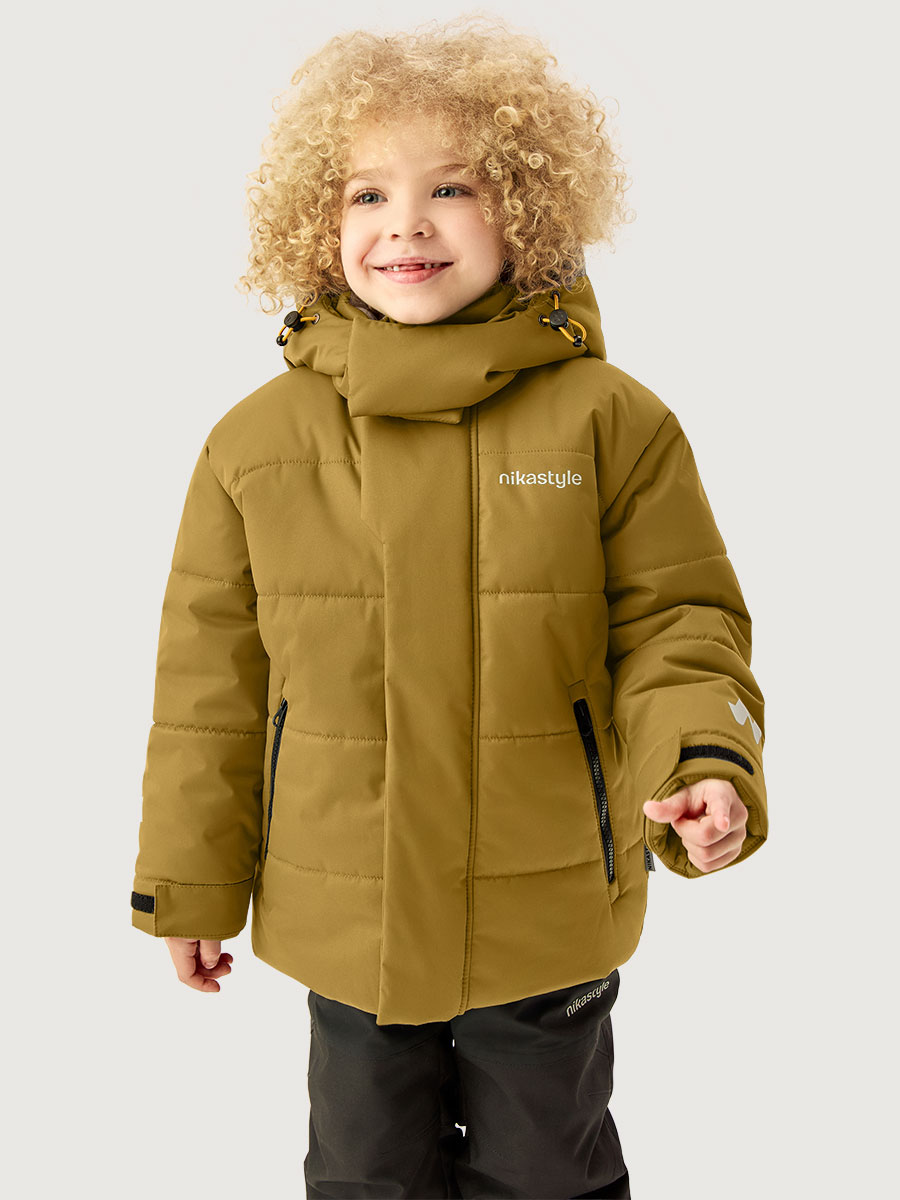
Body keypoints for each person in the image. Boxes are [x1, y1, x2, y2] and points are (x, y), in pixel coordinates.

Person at [129, 13, 769, 1199]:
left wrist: (701, 760)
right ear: (317, 221)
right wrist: (193, 879)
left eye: (454, 187)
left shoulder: (609, 422)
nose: (406, 223)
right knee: (365, 1171)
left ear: (529, 209)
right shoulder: (255, 445)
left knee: (548, 1170)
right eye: (367, 193)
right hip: (347, 911)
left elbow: (678, 626)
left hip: (547, 906)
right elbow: (210, 689)